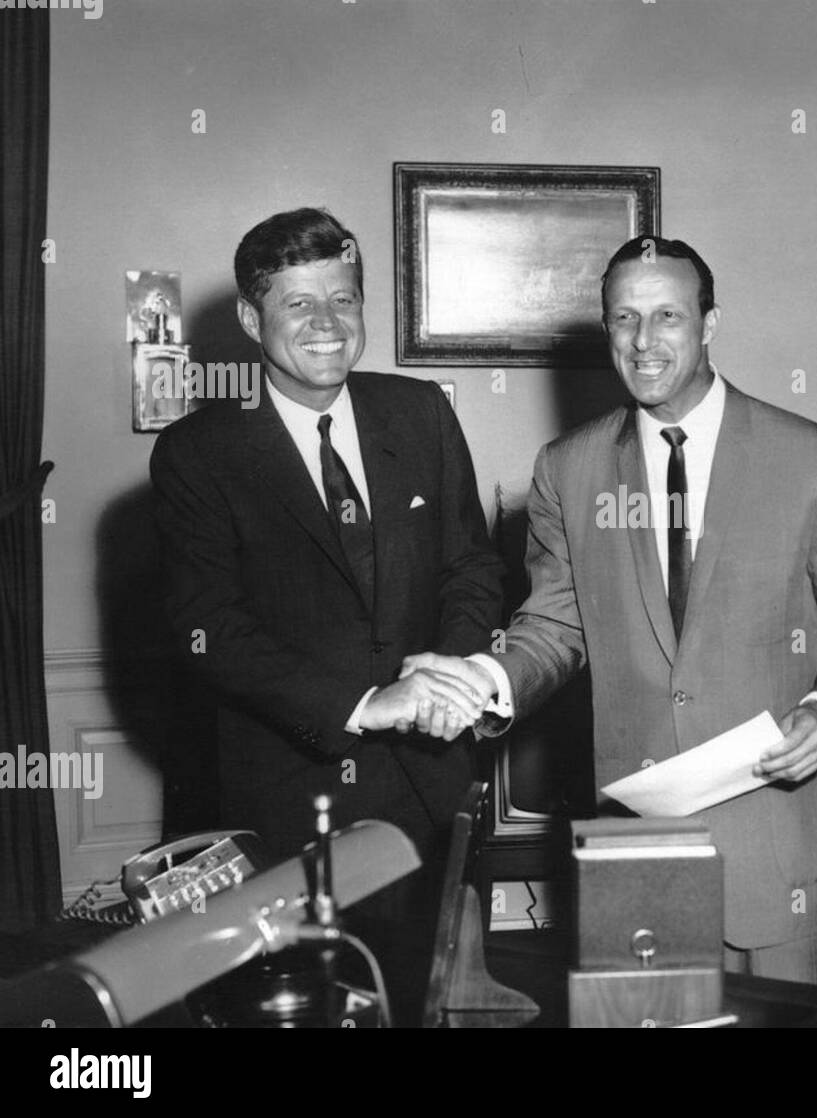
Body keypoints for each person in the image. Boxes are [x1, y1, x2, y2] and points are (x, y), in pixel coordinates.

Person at [404, 236, 817, 985]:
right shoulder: (566, 469)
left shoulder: (813, 457)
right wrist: (481, 679)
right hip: (636, 860)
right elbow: (554, 625)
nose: (643, 341)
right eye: (623, 319)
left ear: (708, 324)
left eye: (667, 315)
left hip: (781, 854)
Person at [150, 208, 504, 1022]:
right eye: (297, 304)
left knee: (440, 1005)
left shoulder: (421, 413)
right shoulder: (200, 453)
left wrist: (446, 674)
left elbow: (472, 567)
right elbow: (210, 631)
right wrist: (361, 706)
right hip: (287, 802)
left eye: (342, 300)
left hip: (431, 787)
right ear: (250, 319)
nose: (325, 324)